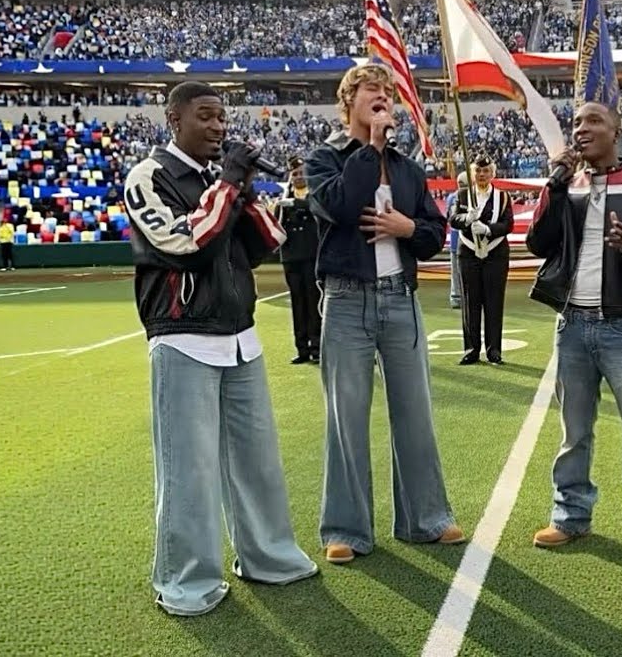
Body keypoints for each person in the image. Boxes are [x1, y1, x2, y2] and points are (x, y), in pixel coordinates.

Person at [124, 81, 318, 617]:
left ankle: (268, 556)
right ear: (174, 118)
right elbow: (186, 244)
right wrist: (228, 183)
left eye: (222, 118)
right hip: (183, 337)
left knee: (257, 461)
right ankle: (187, 581)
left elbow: (267, 243)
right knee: (188, 470)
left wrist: (243, 190)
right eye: (206, 116)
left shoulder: (219, 180)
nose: (218, 127)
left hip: (239, 337)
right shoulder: (149, 176)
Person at [305, 63, 465, 565]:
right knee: (346, 419)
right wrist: (370, 149)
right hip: (346, 300)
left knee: (414, 414)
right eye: (371, 89)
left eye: (387, 92)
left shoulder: (409, 170)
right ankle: (346, 529)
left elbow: (434, 234)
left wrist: (404, 227)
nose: (382, 97)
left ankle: (425, 518)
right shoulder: (324, 159)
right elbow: (340, 206)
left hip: (400, 299)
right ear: (348, 102)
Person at [526, 100, 622, 568]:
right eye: (576, 122)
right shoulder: (567, 185)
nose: (581, 128)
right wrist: (555, 184)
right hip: (572, 325)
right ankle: (570, 515)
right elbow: (538, 243)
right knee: (574, 432)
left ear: (617, 130)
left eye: (593, 120)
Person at [449, 153, 514, 365]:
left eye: (486, 171)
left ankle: (494, 350)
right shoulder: (462, 195)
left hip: (495, 254)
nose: (482, 174)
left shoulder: (503, 197)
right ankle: (471, 349)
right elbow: (453, 219)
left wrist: (488, 229)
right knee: (470, 301)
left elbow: (508, 224)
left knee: (494, 302)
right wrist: (467, 218)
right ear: (472, 173)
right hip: (468, 253)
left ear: (492, 173)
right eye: (478, 170)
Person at [274, 156, 322, 364]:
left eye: (301, 172)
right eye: (295, 174)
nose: (298, 177)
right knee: (297, 303)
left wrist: (296, 203)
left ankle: (316, 346)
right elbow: (277, 224)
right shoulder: (285, 197)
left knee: (313, 301)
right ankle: (302, 348)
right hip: (291, 257)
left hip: (311, 255)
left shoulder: (314, 194)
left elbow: (316, 208)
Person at [446, 171, 467, 309]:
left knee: (455, 270)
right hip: (466, 241)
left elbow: (448, 217)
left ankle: (456, 297)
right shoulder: (469, 197)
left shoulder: (451, 197)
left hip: (455, 240)